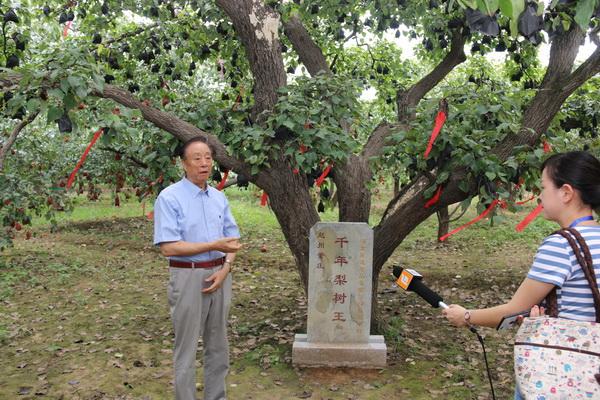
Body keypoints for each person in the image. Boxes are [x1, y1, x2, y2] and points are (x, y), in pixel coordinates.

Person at [442, 151, 600, 399]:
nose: (539, 195)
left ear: (566, 192)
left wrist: (466, 316)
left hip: (560, 372)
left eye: (544, 187)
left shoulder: (562, 246)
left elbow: (514, 310)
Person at [153, 136, 242, 400]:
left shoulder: (217, 197)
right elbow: (168, 247)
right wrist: (212, 244)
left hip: (220, 275)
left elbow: (233, 238)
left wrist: (226, 268)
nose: (204, 163)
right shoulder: (170, 198)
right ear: (183, 164)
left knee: (218, 346)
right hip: (188, 276)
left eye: (208, 157)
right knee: (187, 348)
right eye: (197, 158)